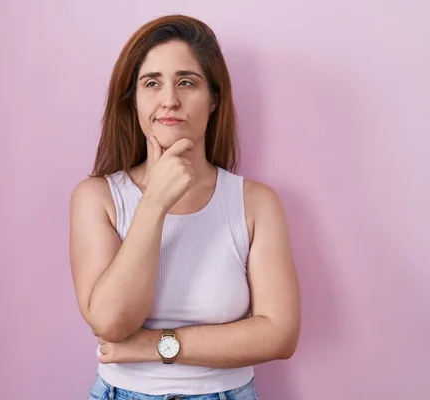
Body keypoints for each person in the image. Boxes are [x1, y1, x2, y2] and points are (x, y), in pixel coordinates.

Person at [69, 14, 301, 400]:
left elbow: (279, 334)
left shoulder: (256, 203)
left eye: (186, 82)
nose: (169, 100)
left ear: (214, 99)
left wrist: (154, 346)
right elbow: (111, 322)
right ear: (133, 100)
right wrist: (155, 201)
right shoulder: (97, 198)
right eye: (152, 83)